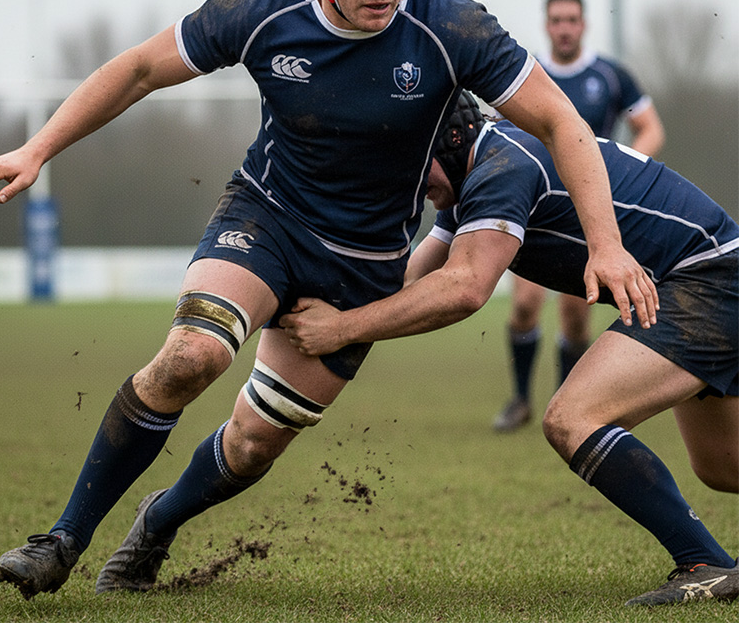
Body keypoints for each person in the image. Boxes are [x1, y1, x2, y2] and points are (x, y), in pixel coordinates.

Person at [0, 0, 657, 601]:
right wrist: (37, 149)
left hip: (363, 265)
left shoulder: (453, 26)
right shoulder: (261, 8)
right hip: (266, 217)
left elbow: (562, 122)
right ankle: (61, 540)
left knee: (252, 444)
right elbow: (137, 70)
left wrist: (606, 246)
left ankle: (158, 520)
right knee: (192, 356)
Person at [281, 91, 738, 607]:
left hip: (710, 279)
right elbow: (410, 280)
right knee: (723, 466)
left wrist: (341, 329)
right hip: (707, 276)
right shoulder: (476, 179)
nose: (408, 179)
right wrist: (308, 295)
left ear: (452, 140)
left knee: (573, 418)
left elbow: (464, 289)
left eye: (413, 161)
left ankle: (704, 563)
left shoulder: (504, 169)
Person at [494, 0, 667, 432]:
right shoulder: (527, 74)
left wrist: (619, 172)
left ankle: (565, 405)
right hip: (534, 209)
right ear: (547, 25)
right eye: (557, 20)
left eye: (572, 20)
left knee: (575, 315)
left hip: (584, 214)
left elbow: (650, 129)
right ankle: (520, 400)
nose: (565, 28)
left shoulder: (609, 76)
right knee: (524, 305)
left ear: (583, 25)